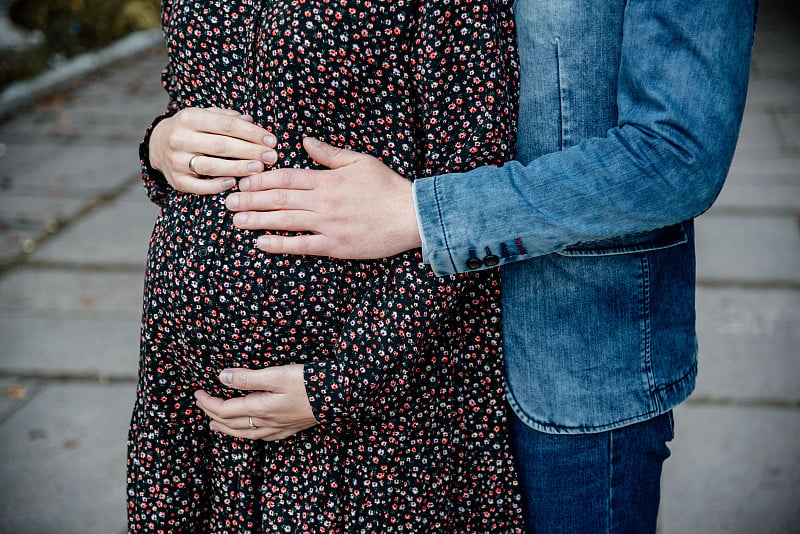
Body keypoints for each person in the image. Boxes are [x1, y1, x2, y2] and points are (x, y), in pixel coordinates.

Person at [212, 0, 760, 531]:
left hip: (567, 365)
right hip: (422, 374)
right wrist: (163, 146)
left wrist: (422, 215)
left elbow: (678, 153)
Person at [127, 0, 525, 532]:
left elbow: (474, 196)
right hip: (190, 414)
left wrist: (338, 383)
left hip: (373, 417)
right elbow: (196, 100)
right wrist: (160, 145)